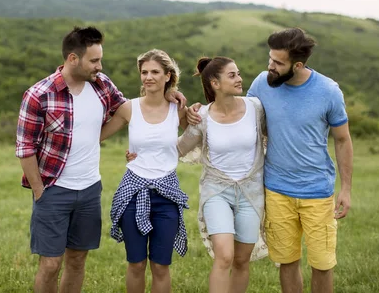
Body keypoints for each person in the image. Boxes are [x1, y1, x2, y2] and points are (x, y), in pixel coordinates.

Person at [15, 28, 186, 293]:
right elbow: (25, 147)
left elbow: (132, 109)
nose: (100, 66)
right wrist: (39, 189)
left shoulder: (102, 85)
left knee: (77, 260)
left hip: (90, 190)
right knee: (50, 264)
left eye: (100, 60)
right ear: (73, 59)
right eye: (94, 61)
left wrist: (169, 94)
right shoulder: (39, 95)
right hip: (53, 189)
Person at [190, 27, 353, 293]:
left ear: (297, 65)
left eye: (278, 63)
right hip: (275, 191)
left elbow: (343, 139)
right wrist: (199, 108)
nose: (270, 67)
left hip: (318, 192)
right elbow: (234, 112)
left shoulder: (328, 91)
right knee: (287, 262)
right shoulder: (262, 84)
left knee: (322, 264)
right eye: (270, 59)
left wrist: (346, 188)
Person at [175, 56, 268, 293]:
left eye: (238, 73)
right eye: (232, 75)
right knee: (224, 256)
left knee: (241, 260)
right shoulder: (202, 116)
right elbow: (178, 148)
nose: (240, 79)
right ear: (215, 83)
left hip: (251, 193)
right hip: (216, 193)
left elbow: (278, 133)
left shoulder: (256, 108)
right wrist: (181, 114)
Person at [100, 49, 189, 293]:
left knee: (161, 266)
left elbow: (198, 135)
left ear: (168, 76)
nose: (148, 77)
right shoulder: (129, 108)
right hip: (133, 192)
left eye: (155, 72)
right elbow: (98, 135)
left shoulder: (177, 109)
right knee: (136, 264)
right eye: (144, 72)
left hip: (167, 196)